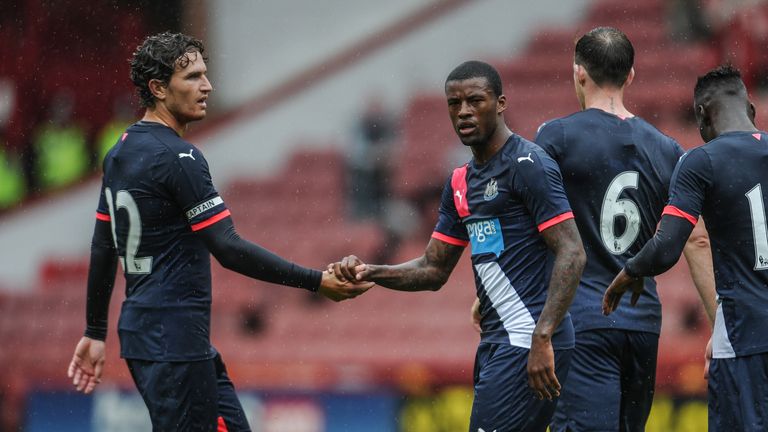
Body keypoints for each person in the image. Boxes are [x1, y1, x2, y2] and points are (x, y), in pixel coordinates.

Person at [66, 32, 372, 432]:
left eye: (205, 75)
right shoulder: (180, 157)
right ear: (158, 88)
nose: (207, 86)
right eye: (192, 77)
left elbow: (103, 246)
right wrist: (317, 282)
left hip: (156, 335)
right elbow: (227, 247)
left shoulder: (121, 151)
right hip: (172, 340)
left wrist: (94, 331)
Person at [332, 60, 586, 431]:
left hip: (528, 340)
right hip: (497, 342)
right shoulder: (459, 182)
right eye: (454, 103)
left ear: (500, 103)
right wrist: (370, 272)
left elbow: (572, 251)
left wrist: (543, 335)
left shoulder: (527, 163)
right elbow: (434, 269)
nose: (464, 112)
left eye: (475, 100)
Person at [510, 27, 716, 432]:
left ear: (579, 73)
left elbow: (531, 221)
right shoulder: (667, 147)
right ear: (632, 75)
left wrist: (498, 292)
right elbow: (697, 237)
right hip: (641, 322)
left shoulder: (557, 136)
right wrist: (718, 323)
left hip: (582, 318)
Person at [603, 64, 768, 432]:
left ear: (702, 116)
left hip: (746, 337)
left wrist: (630, 271)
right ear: (751, 108)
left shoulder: (701, 161)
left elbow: (666, 246)